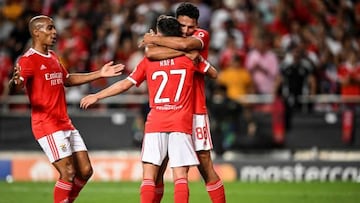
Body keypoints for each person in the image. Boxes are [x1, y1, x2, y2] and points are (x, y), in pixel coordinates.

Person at [80, 15, 218, 203]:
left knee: (148, 177)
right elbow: (213, 73)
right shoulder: (190, 59)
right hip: (180, 121)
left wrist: (97, 95)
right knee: (180, 177)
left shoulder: (148, 61)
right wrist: (196, 57)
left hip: (156, 122)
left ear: (160, 35)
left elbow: (125, 85)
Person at [8, 15, 124, 203]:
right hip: (46, 125)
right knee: (68, 172)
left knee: (85, 171)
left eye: (54, 28)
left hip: (64, 123)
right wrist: (14, 82)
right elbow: (16, 86)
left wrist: (99, 73)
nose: (54, 32)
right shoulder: (27, 60)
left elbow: (67, 79)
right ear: (36, 32)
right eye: (49, 28)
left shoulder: (53, 56)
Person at [141, 2, 226, 203]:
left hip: (195, 109)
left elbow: (186, 46)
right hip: (172, 110)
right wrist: (165, 46)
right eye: (183, 26)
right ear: (176, 22)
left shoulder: (201, 35)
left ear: (197, 26)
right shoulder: (167, 40)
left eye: (191, 27)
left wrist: (154, 40)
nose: (187, 31)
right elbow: (150, 54)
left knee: (205, 164)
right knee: (159, 168)